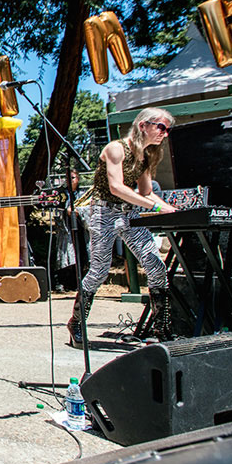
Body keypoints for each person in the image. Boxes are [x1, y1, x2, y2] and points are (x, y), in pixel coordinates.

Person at [67, 107, 177, 349]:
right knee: (99, 271)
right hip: (104, 212)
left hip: (129, 213)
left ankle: (162, 329)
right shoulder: (116, 149)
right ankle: (76, 323)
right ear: (143, 126)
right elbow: (116, 187)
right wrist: (154, 207)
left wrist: (170, 209)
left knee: (156, 267)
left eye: (167, 130)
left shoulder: (146, 154)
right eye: (161, 127)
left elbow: (147, 192)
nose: (164, 134)